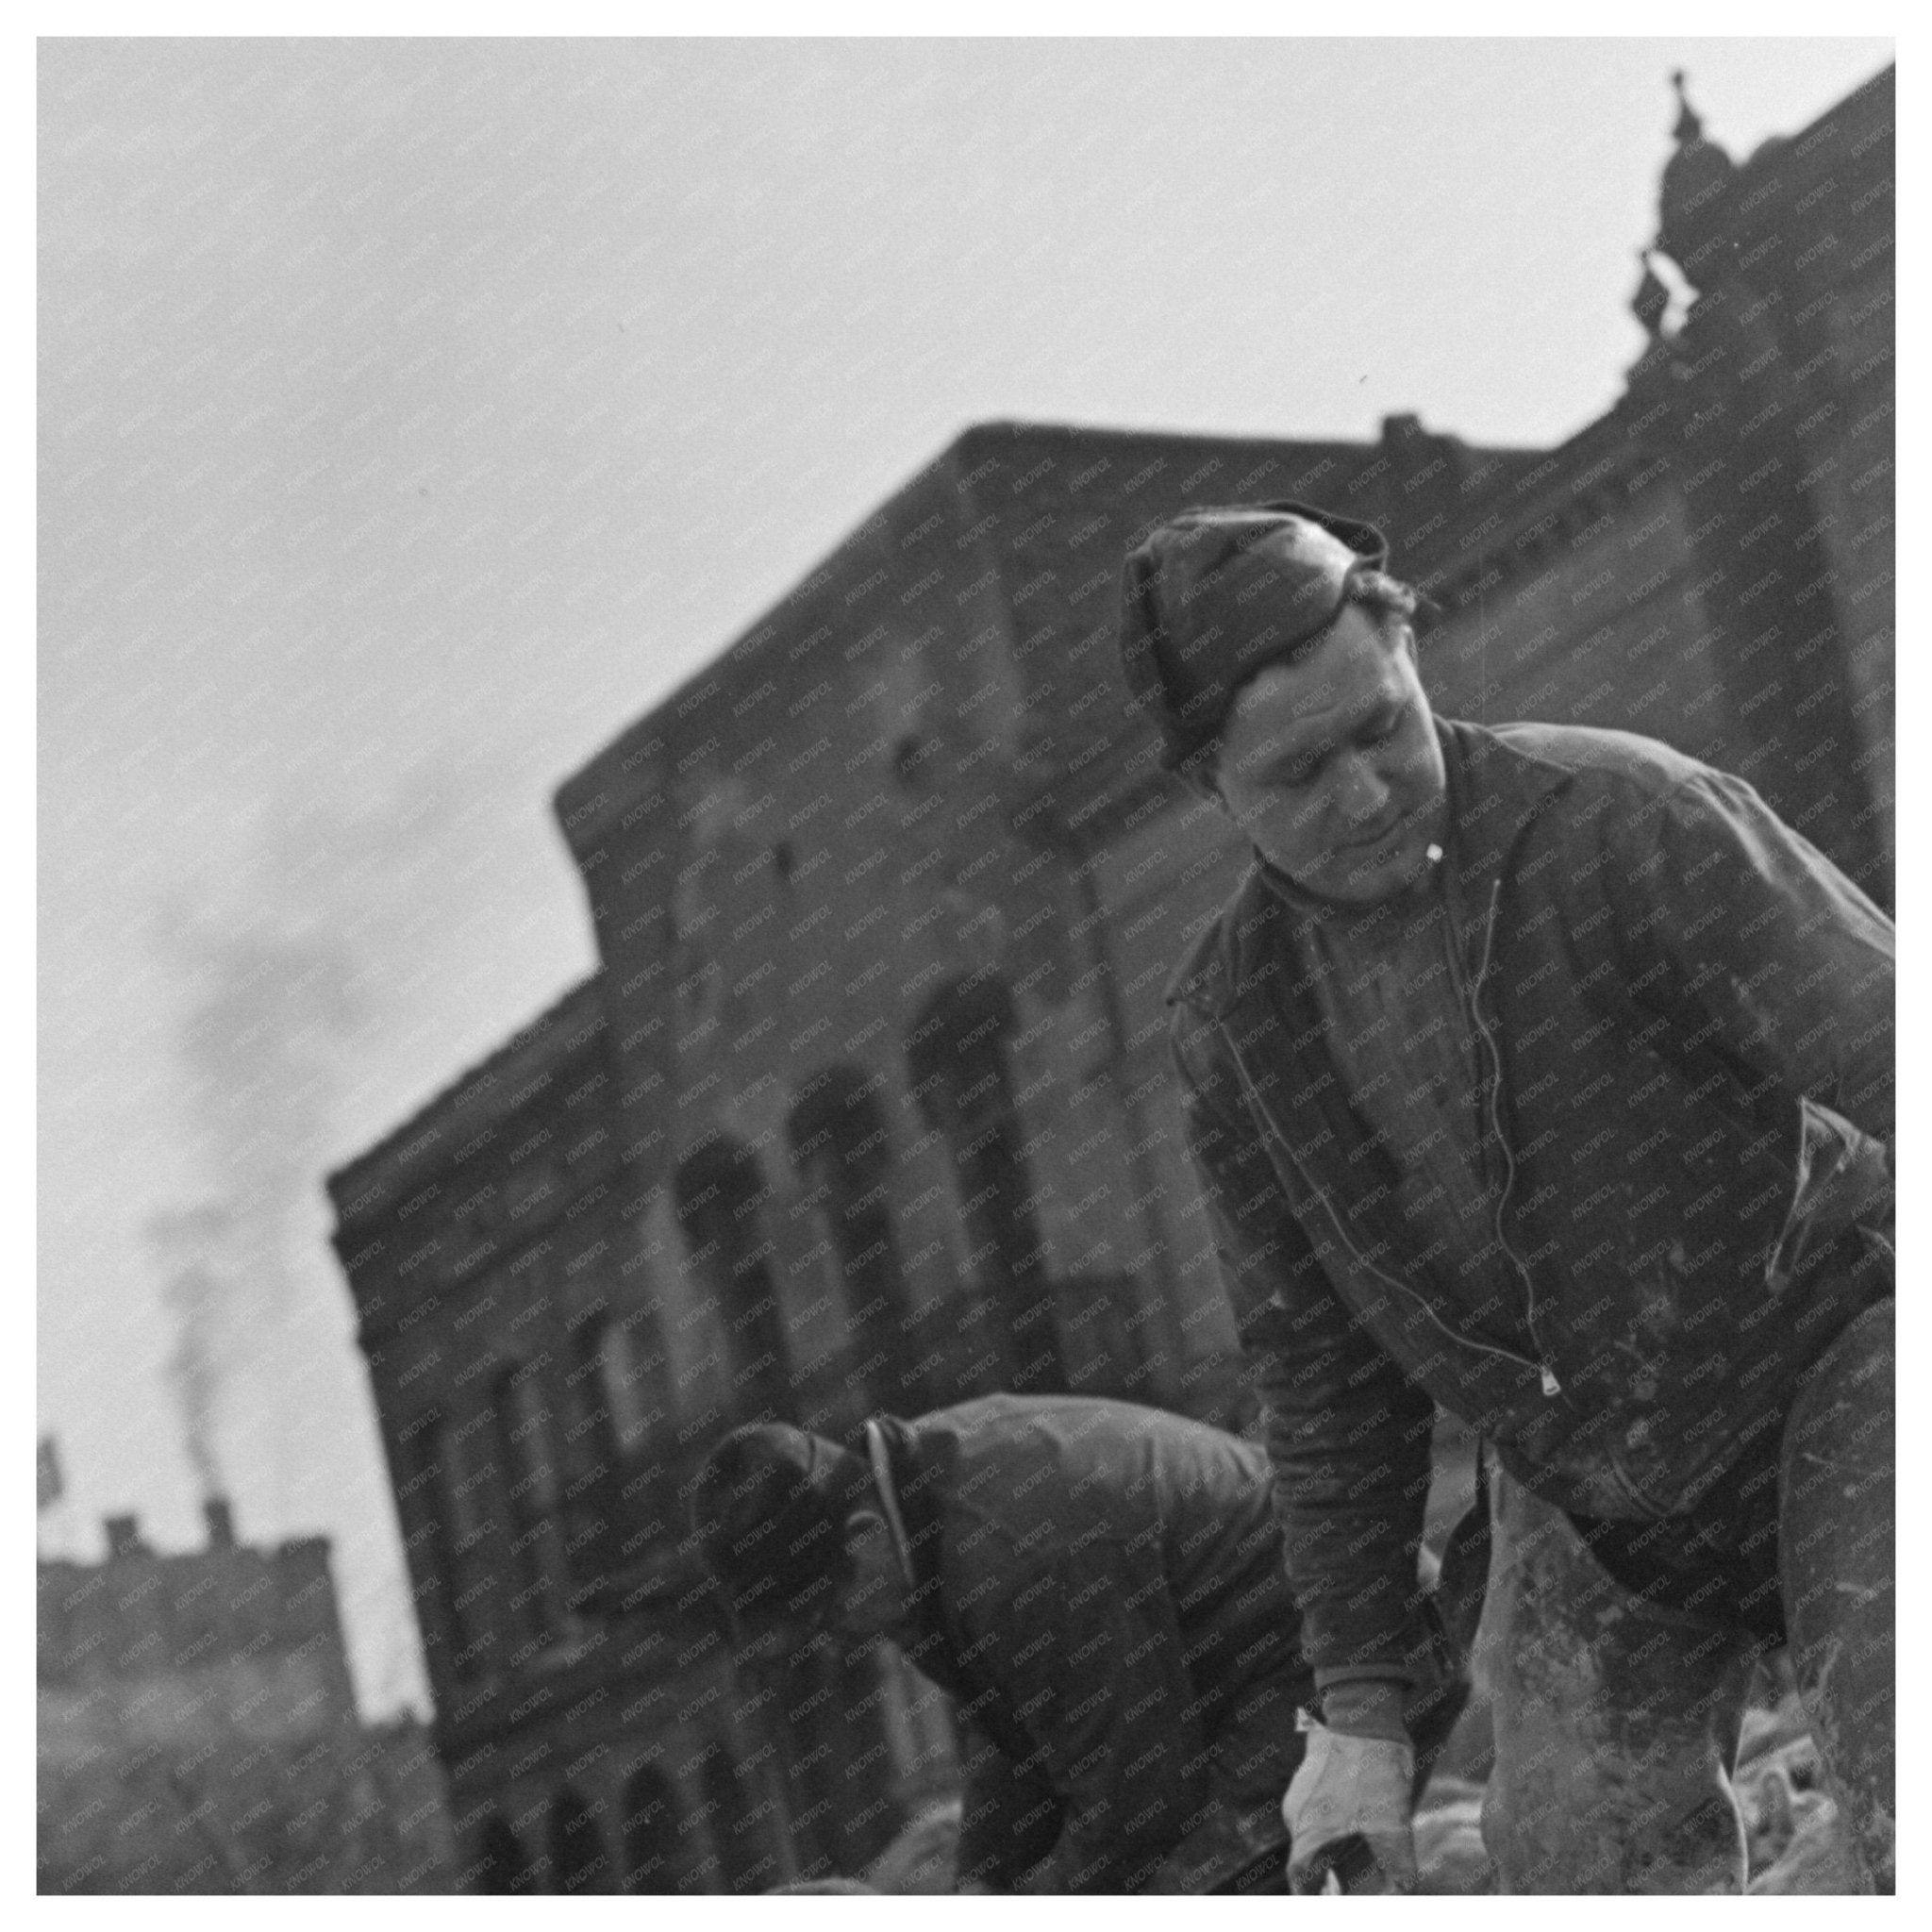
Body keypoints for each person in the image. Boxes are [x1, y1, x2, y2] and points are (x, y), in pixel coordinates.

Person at [1117, 500, 1894, 1894]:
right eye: (1298, 774)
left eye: (1381, 728)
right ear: (1208, 786)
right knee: (1573, 1860)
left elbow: (1897, 1050)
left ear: (1410, 648)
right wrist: (1357, 1713)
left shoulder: (1622, 818)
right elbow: (1325, 1380)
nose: (1365, 795)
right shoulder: (1234, 1032)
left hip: (1834, 1354)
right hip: (1586, 1474)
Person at [689, 1392, 1471, 1894]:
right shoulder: (918, 1521)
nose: (845, 1639)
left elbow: (1140, 1799)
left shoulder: (1011, 1553)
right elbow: (1018, 1730)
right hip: (1255, 1674)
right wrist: (982, 1881)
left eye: (830, 1616)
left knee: (1196, 1889)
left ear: (860, 1539)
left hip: (1357, 1647)